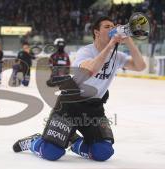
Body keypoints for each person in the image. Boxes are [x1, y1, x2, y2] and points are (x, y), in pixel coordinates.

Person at [12, 16, 146, 161]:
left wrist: (129, 41)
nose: (112, 29)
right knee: (51, 152)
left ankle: (73, 141)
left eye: (113, 26)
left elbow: (140, 66)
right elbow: (91, 70)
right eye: (107, 27)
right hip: (70, 105)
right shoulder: (85, 51)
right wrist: (112, 43)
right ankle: (35, 141)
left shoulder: (117, 56)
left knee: (103, 152)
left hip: (94, 108)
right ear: (97, 32)